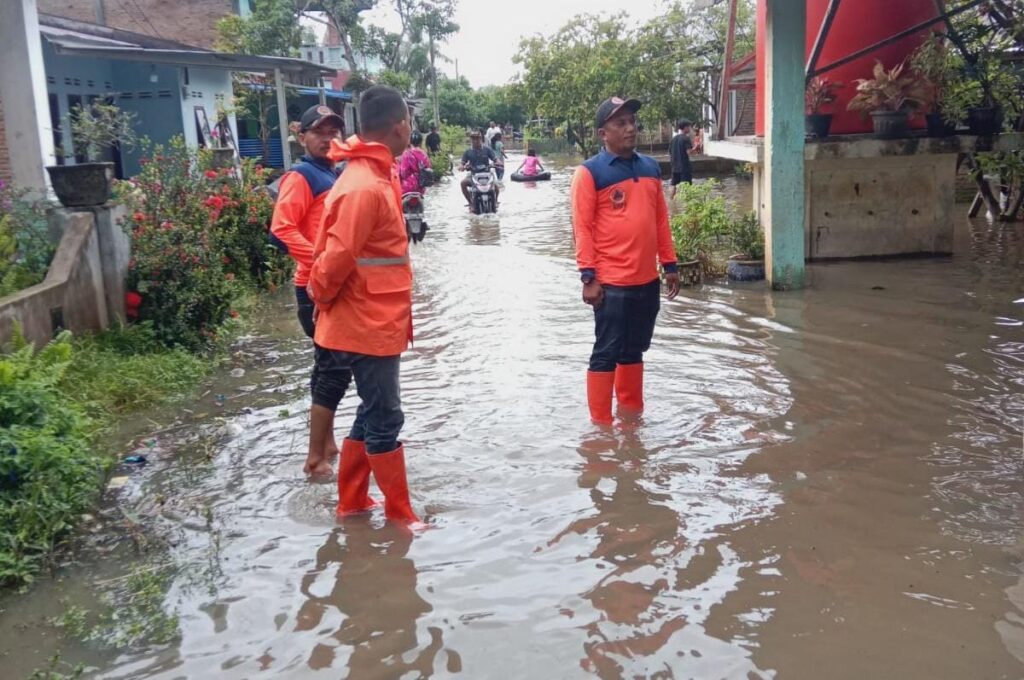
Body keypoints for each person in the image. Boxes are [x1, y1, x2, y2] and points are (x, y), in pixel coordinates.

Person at [306, 85, 420, 524]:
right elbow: (333, 260)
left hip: (375, 319)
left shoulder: (371, 176)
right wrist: (322, 299)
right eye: (409, 120)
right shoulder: (363, 186)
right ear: (399, 126)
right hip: (366, 322)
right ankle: (401, 516)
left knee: (373, 412)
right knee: (387, 416)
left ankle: (353, 503)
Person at [570, 96, 681, 425]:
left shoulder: (650, 168)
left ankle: (631, 420)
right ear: (603, 133)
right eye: (621, 123)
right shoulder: (589, 173)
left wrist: (670, 264)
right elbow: (582, 228)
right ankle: (601, 428)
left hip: (647, 281)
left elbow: (660, 220)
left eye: (632, 121)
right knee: (606, 353)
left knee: (635, 350)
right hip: (612, 283)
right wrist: (588, 277)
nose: (630, 127)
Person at [269, 104, 345, 478]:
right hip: (314, 287)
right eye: (319, 132)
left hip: (328, 284)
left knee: (327, 365)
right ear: (302, 137)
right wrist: (321, 260)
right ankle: (315, 459)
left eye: (334, 131)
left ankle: (327, 446)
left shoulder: (332, 174)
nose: (328, 138)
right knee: (334, 367)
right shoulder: (302, 176)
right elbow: (282, 229)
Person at [459, 131, 498, 212]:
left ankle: (495, 202)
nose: (475, 140)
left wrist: (498, 162)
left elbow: (495, 159)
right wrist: (461, 166)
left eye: (477, 138)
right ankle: (471, 203)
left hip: (487, 174)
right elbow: (463, 162)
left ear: (481, 139)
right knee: (463, 183)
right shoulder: (468, 151)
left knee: (496, 186)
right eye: (473, 138)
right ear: (471, 140)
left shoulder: (487, 149)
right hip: (473, 175)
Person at [398, 130, 432, 195]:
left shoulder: (407, 153)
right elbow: (429, 168)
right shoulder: (424, 154)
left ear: (410, 141)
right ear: (421, 142)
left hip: (407, 188)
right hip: (421, 188)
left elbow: (403, 172)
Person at [669, 118, 694, 199]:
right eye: (689, 127)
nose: (690, 128)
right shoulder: (686, 138)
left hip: (674, 167)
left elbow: (670, 152)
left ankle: (671, 201)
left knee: (673, 185)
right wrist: (696, 148)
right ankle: (688, 205)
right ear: (685, 128)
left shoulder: (673, 139)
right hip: (684, 167)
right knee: (687, 186)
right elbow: (689, 152)